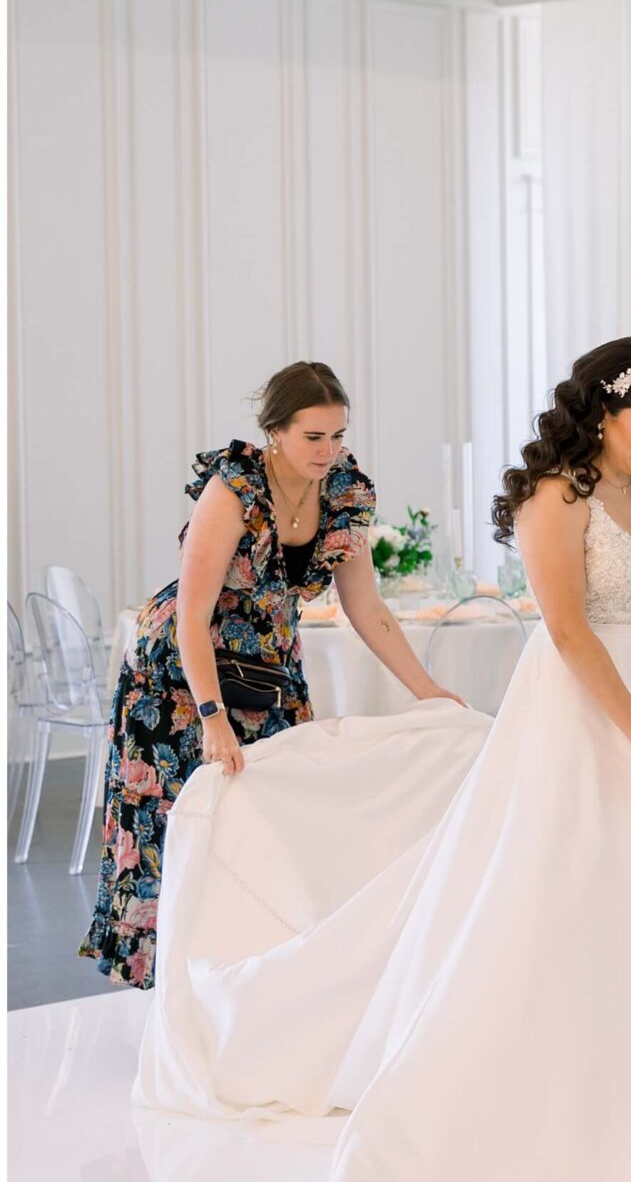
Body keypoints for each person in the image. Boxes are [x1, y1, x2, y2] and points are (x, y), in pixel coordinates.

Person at [134, 337, 631, 1182]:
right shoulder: (558, 496)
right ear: (602, 414)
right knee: (559, 878)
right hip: (585, 706)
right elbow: (568, 628)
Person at [83, 361, 458, 990]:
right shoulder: (233, 488)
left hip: (272, 671)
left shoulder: (345, 493)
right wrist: (211, 718)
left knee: (276, 822)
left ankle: (254, 981)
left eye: (337, 435)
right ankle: (178, 992)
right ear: (275, 431)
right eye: (314, 437)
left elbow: (366, 609)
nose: (329, 450)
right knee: (180, 826)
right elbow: (194, 616)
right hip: (180, 679)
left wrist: (430, 692)